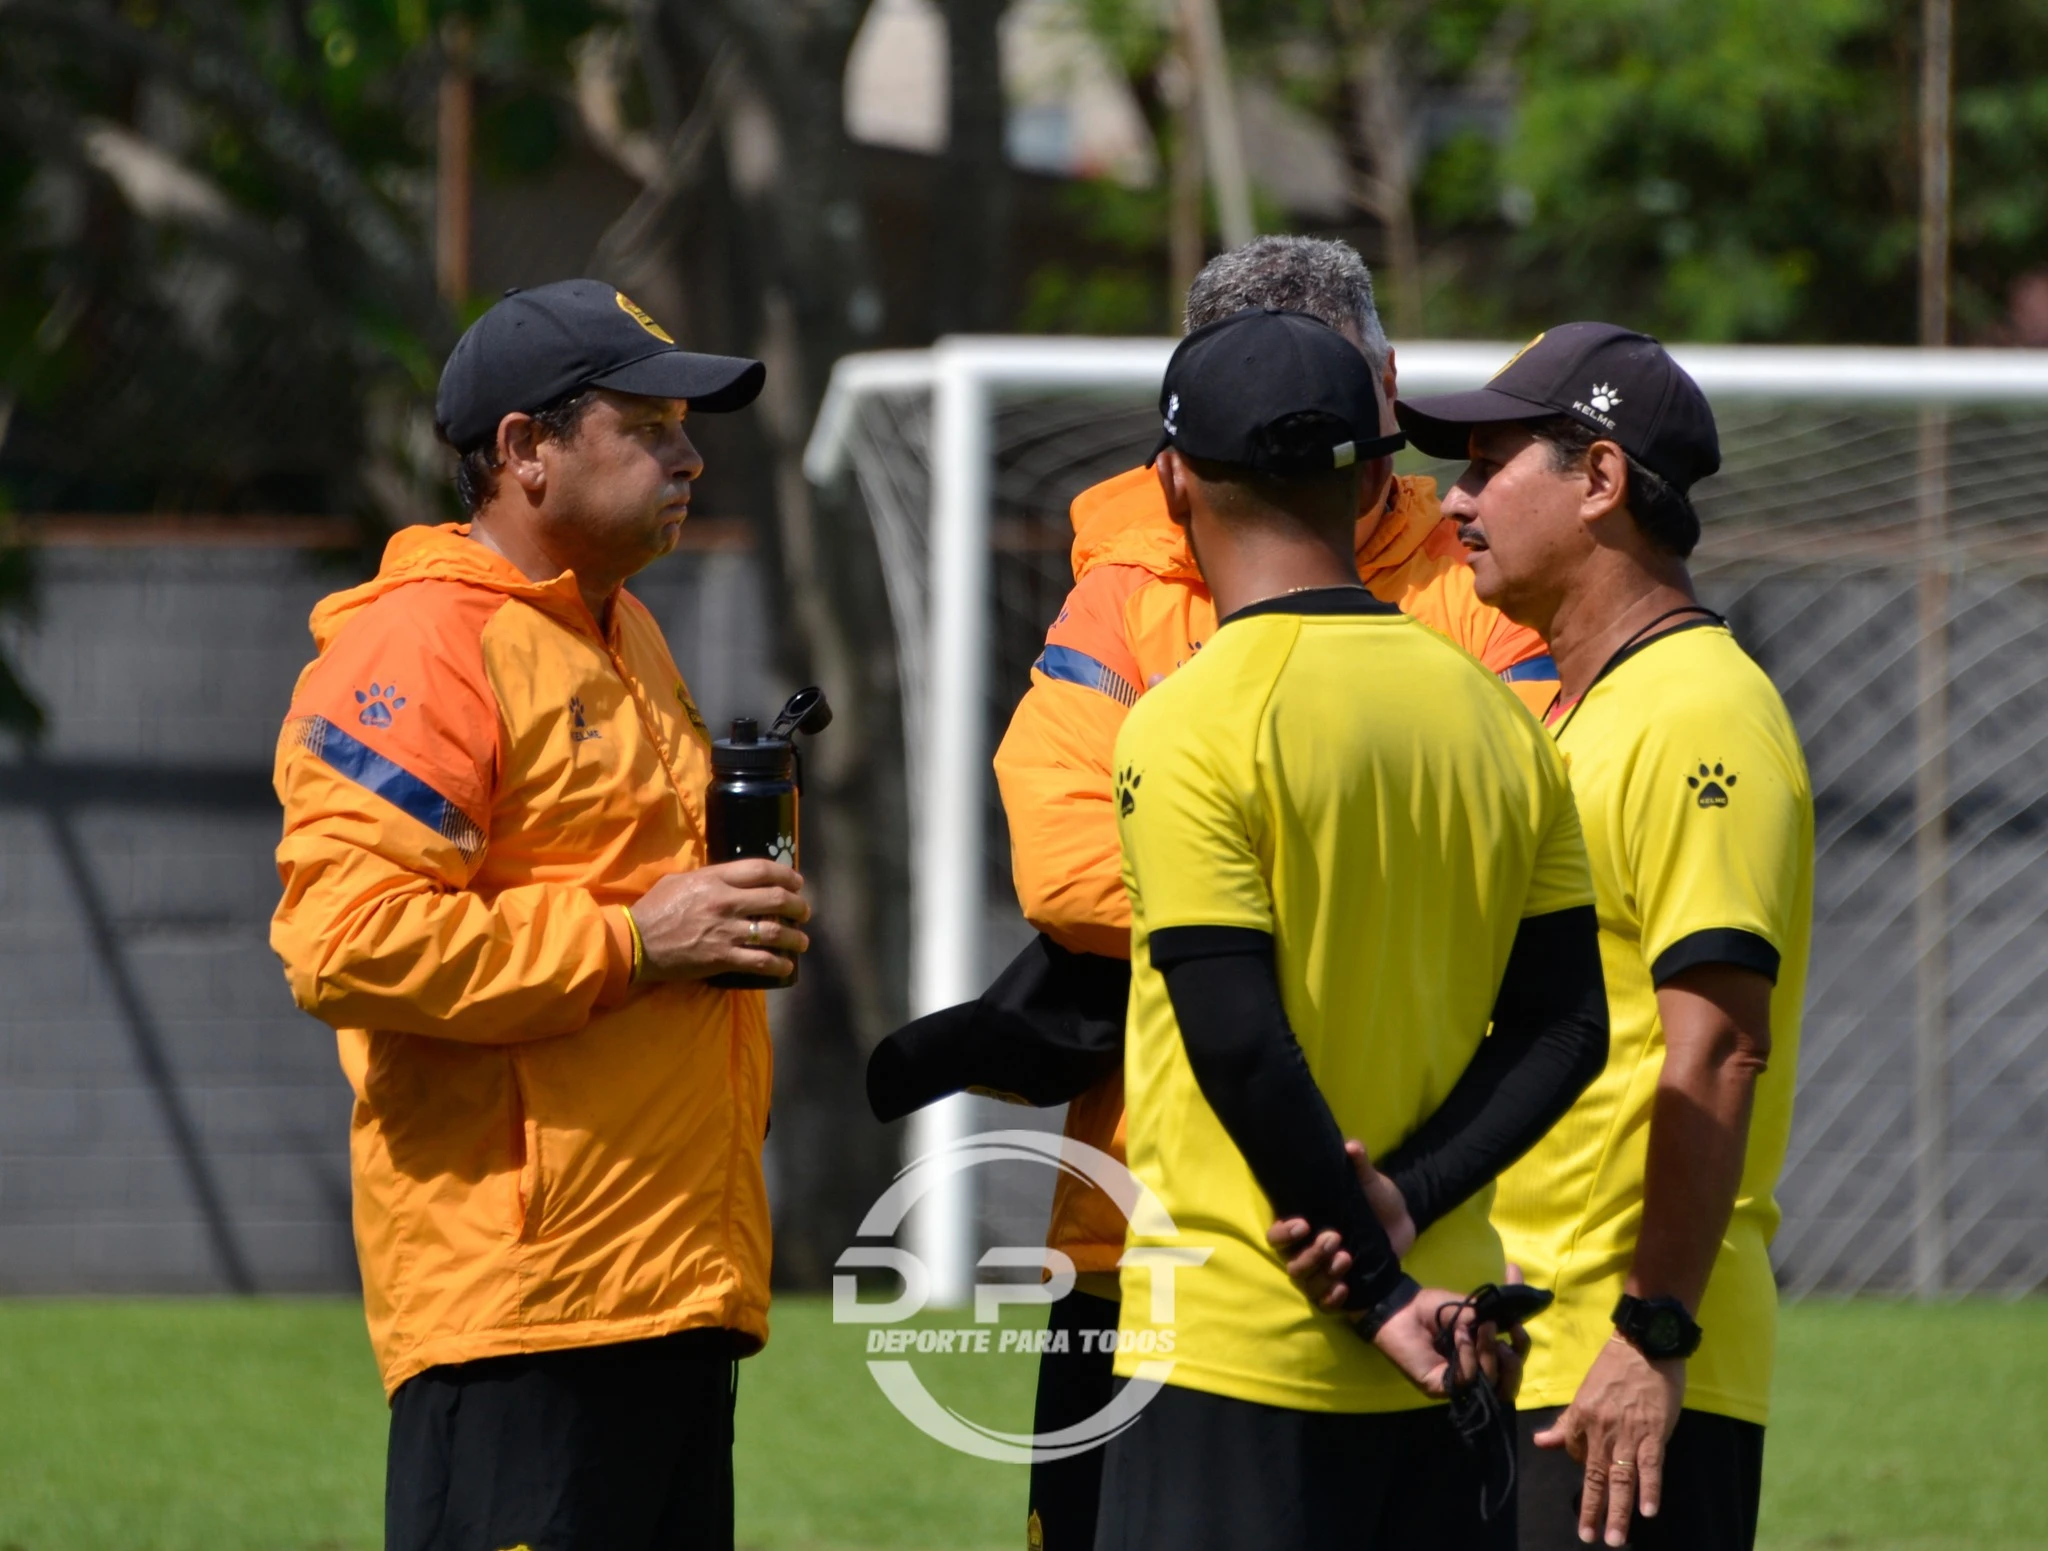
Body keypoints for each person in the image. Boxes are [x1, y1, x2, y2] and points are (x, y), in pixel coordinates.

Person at [868, 235, 1560, 1551]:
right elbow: (1063, 867)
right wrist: (1361, 891)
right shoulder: (1125, 588)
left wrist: (1241, 896)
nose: (1310, 431)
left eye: (1333, 395)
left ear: (1388, 393)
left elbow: (1547, 871)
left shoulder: (1478, 583)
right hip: (1144, 1223)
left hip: (1444, 1202)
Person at [269, 279, 812, 1551]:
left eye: (688, 426)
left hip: (669, 1280)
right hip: (522, 1303)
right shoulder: (420, 647)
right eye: (649, 425)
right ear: (524, 450)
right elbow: (345, 942)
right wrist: (633, 941)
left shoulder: (623, 636)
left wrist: (733, 919)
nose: (688, 455)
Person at [1090, 306, 1608, 1551]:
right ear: (1379, 480)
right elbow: (1567, 1025)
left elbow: (1242, 1047)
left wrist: (1370, 1289)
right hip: (1450, 1347)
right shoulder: (1496, 716)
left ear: (1170, 481)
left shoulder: (1186, 722)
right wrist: (1407, 1203)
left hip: (1234, 1347)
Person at [1389, 324, 1813, 1550]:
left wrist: (1651, 1336)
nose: (1452, 501)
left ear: (1600, 480)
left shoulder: (1695, 715)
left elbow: (1718, 1049)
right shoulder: (1585, 707)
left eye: (1484, 463)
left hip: (1619, 1369)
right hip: (1525, 1347)